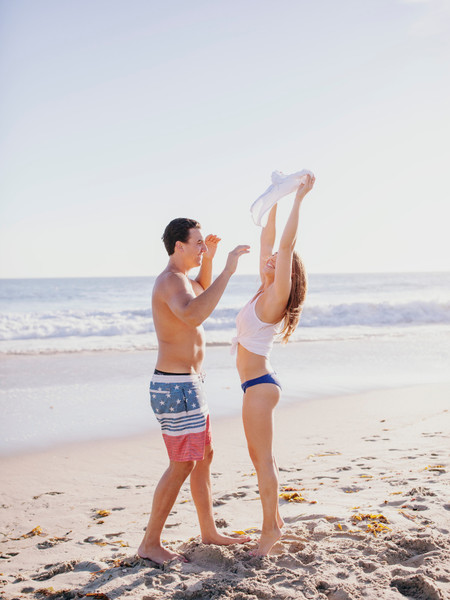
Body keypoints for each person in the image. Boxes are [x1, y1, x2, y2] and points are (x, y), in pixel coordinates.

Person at [138, 217, 250, 565]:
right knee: (182, 464)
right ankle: (150, 544)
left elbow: (200, 290)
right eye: (198, 243)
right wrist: (228, 271)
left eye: (204, 242)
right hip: (176, 387)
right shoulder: (171, 281)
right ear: (179, 246)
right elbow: (193, 314)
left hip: (190, 384)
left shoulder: (183, 280)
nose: (202, 247)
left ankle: (208, 530)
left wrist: (213, 259)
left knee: (204, 455)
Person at [232, 174, 315, 556]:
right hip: (256, 385)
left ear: (286, 272)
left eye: (277, 261)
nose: (270, 257)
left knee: (262, 460)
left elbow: (285, 243)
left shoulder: (275, 297)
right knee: (258, 456)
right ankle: (276, 521)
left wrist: (299, 198)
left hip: (261, 386)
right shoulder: (262, 290)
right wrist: (275, 196)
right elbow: (270, 238)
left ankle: (269, 533)